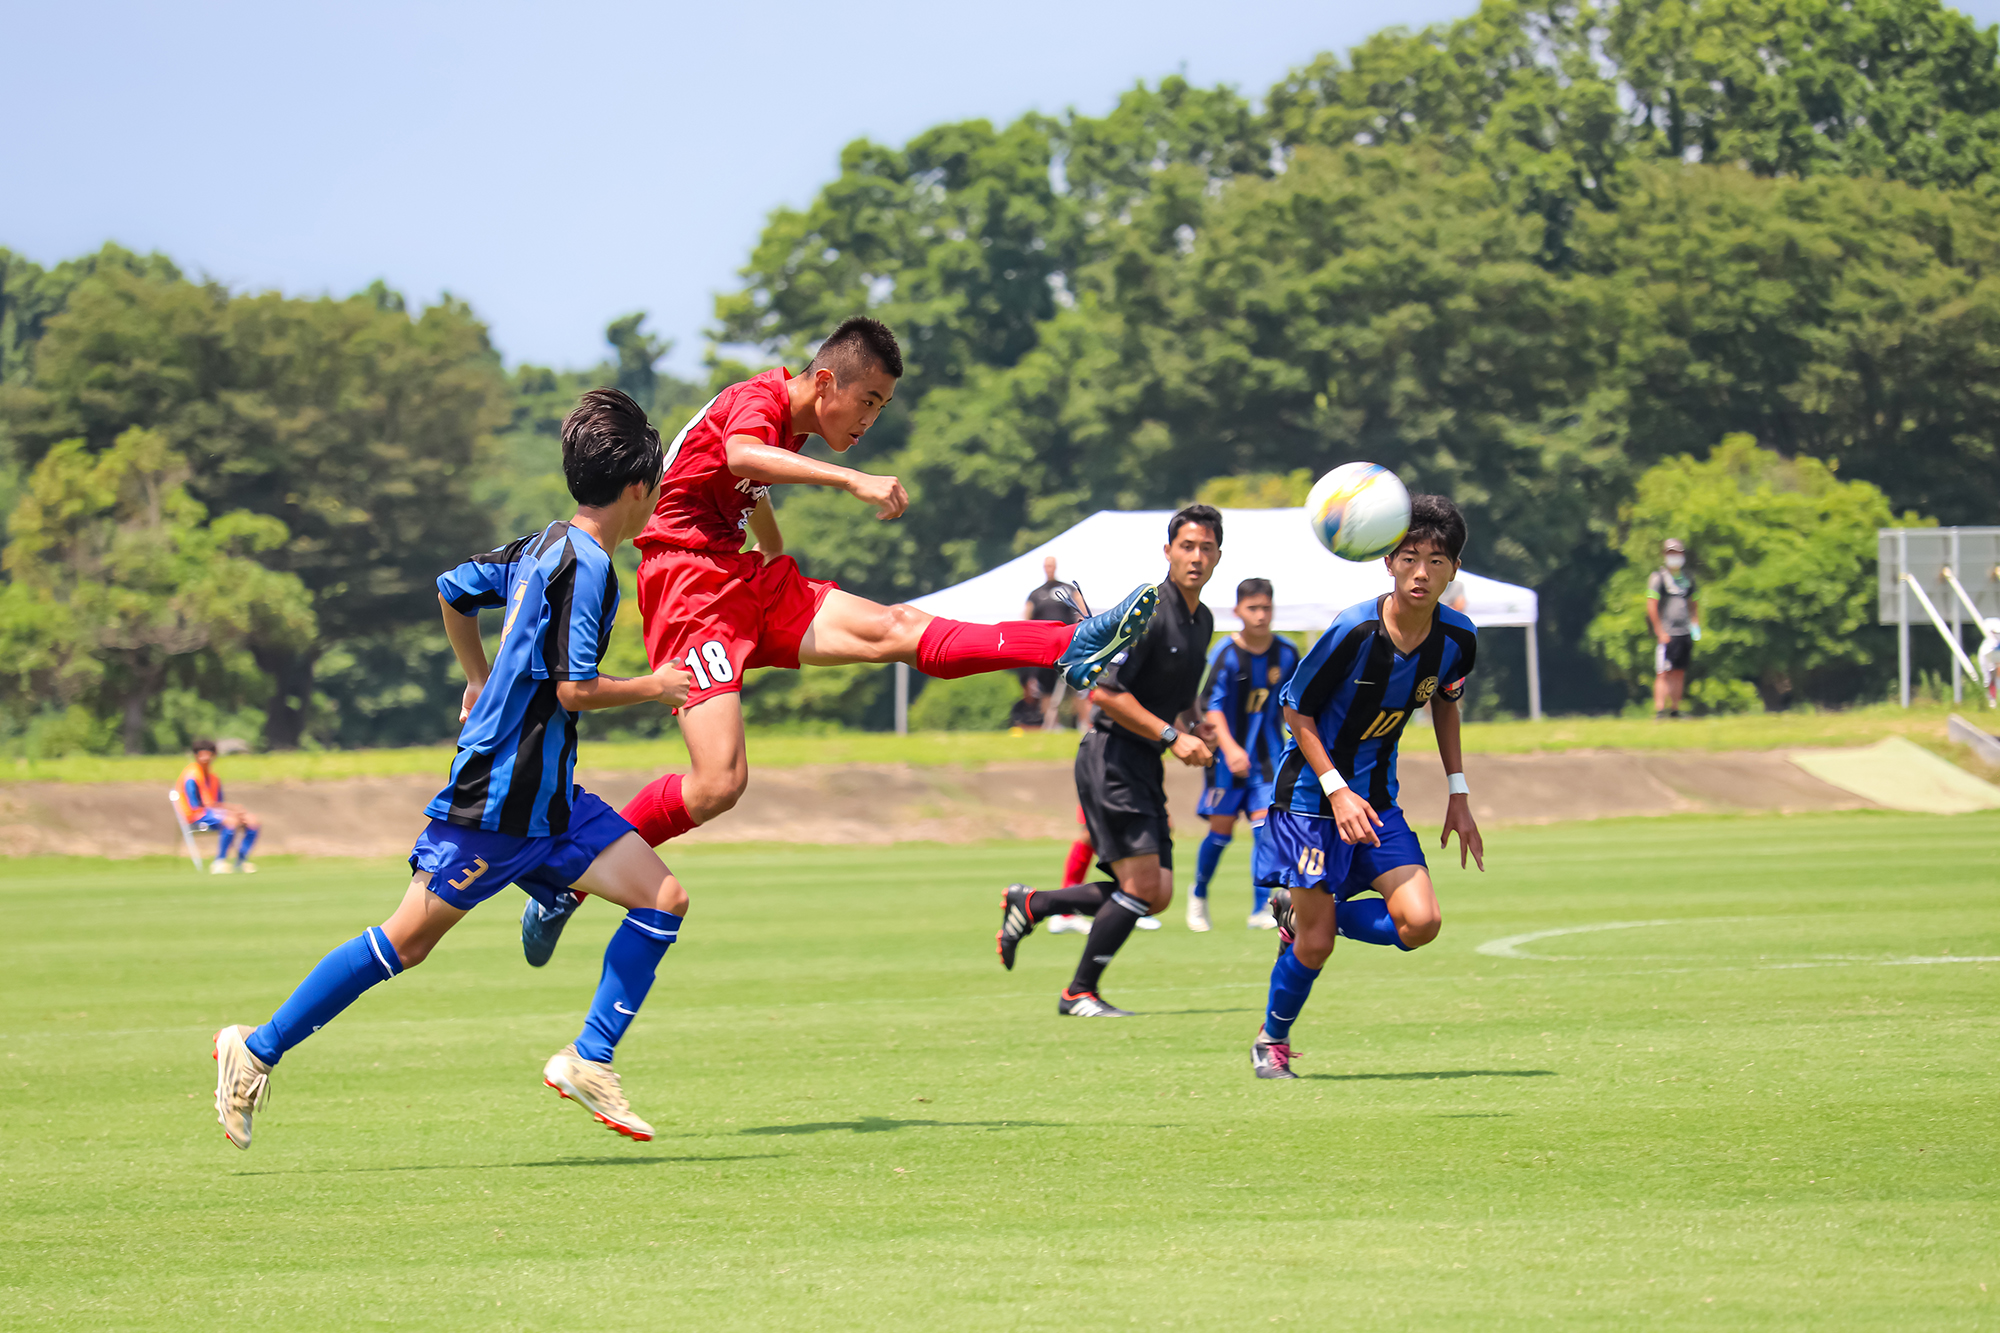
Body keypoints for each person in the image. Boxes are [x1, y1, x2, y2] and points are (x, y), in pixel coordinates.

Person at [523, 317, 1160, 962]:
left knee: (899, 628)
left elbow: (739, 478)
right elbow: (741, 456)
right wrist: (852, 481)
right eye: (869, 401)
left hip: (747, 578)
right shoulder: (758, 399)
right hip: (691, 593)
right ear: (826, 381)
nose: (870, 420)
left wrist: (771, 547)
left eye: (881, 407)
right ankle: (567, 880)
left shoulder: (785, 420)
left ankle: (1068, 643)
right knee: (719, 783)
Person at [211, 389, 696, 1150]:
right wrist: (656, 687)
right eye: (657, 485)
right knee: (405, 941)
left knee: (663, 898)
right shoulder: (592, 566)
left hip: (551, 800)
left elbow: (453, 588)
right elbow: (574, 688)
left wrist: (475, 680)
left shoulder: (542, 546)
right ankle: (256, 1045)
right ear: (638, 487)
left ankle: (589, 1057)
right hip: (498, 800)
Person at [1248, 495, 1484, 1079]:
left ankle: (1301, 914)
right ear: (1388, 562)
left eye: (1436, 560)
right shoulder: (1353, 630)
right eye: (1410, 557)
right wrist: (1335, 788)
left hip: (1377, 801)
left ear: (1454, 569)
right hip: (1310, 802)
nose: (1422, 572)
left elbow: (1447, 701)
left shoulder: (1458, 639)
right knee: (1317, 946)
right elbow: (1294, 710)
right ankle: (1270, 1041)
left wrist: (1459, 791)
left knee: (1421, 924)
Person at [995, 505, 1222, 1016]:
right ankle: (1078, 992)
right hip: (1111, 755)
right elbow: (1105, 693)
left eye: (1206, 548)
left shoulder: (1202, 619)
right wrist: (1172, 736)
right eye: (1187, 546)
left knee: (1155, 893)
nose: (1196, 557)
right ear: (1168, 553)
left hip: (1143, 759)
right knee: (1142, 886)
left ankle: (1036, 904)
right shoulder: (1145, 611)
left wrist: (1196, 721)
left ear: (1218, 557)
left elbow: (1180, 695)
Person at [1187, 579, 1300, 933]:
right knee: (1220, 833)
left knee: (1264, 830)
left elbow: (1295, 704)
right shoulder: (1226, 653)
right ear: (1237, 611)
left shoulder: (1287, 653)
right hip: (1224, 761)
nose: (1261, 615)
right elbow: (1211, 707)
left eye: (1266, 607)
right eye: (1253, 608)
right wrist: (1231, 748)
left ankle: (1260, 908)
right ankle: (1199, 894)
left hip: (1268, 762)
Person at [175, 740, 262, 874]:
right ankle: (220, 861)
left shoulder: (213, 777)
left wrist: (234, 810)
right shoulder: (191, 776)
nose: (205, 759)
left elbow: (217, 803)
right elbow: (196, 804)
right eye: (202, 755)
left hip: (213, 814)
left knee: (252, 820)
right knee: (230, 820)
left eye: (208, 755)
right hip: (195, 815)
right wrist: (230, 810)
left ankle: (241, 860)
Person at [1023, 556, 1083, 728]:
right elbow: (1026, 618)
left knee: (1077, 684)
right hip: (1046, 646)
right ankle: (1051, 724)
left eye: (1052, 565)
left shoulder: (1067, 589)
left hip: (1068, 644)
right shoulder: (1036, 594)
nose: (1049, 568)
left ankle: (1082, 722)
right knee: (1046, 687)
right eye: (1047, 565)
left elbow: (1081, 609)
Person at [1647, 538, 1699, 720]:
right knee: (1663, 672)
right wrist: (1659, 630)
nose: (1673, 557)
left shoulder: (1688, 578)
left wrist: (1695, 625)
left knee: (1679, 671)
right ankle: (1660, 710)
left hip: (1684, 632)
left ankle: (1675, 709)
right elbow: (1651, 605)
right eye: (1670, 554)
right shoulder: (1658, 578)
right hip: (1667, 633)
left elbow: (1694, 603)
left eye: (1676, 553)